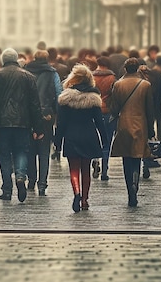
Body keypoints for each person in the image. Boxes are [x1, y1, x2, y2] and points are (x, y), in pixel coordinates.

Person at [0, 48, 44, 202]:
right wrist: (38, 127)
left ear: (3, 60)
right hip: (23, 123)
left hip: (1, 124)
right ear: (16, 59)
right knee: (21, 152)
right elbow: (35, 104)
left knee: (3, 155)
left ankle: (7, 189)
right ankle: (21, 177)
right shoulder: (28, 77)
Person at [55, 64, 107, 212]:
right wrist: (104, 139)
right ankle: (84, 200)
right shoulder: (94, 97)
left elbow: (61, 123)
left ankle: (76, 193)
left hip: (71, 136)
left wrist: (57, 142)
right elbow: (99, 121)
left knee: (74, 168)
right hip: (89, 135)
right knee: (86, 169)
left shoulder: (66, 97)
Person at [109, 58, 155, 207]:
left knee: (126, 159)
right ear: (137, 69)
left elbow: (114, 108)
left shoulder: (118, 85)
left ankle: (130, 190)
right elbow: (149, 110)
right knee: (137, 157)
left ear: (125, 69)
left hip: (123, 124)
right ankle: (136, 180)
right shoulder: (146, 85)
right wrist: (151, 130)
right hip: (140, 124)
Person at [25, 50, 61, 195]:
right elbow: (59, 93)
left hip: (28, 115)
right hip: (46, 114)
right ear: (47, 59)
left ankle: (31, 179)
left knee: (30, 149)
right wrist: (57, 113)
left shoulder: (25, 71)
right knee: (44, 150)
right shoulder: (52, 73)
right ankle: (42, 184)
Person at [93, 56, 117, 180]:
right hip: (108, 111)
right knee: (106, 142)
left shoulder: (92, 77)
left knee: (95, 138)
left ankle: (95, 159)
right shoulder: (112, 78)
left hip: (94, 110)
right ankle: (104, 171)